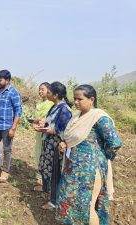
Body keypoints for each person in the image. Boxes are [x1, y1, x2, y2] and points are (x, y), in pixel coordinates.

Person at [56, 84, 122, 225]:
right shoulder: (76, 117)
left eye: (80, 99)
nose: (76, 102)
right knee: (73, 205)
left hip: (89, 172)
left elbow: (115, 143)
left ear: (91, 99)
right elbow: (73, 137)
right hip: (72, 169)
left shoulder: (99, 118)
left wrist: (101, 158)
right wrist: (65, 143)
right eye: (74, 99)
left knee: (87, 207)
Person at [33, 81, 72, 209]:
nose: (46, 94)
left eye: (49, 92)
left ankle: (54, 201)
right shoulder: (54, 106)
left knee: (55, 171)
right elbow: (48, 121)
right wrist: (42, 124)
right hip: (48, 142)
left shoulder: (64, 109)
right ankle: (45, 187)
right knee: (44, 165)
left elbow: (62, 130)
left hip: (56, 146)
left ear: (55, 95)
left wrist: (45, 130)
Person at [30, 82, 54, 189]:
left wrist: (37, 120)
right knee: (39, 153)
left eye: (42, 89)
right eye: (39, 89)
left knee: (45, 155)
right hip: (39, 133)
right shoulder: (40, 103)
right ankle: (40, 176)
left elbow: (49, 119)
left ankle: (43, 180)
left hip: (48, 133)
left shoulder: (50, 104)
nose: (40, 91)